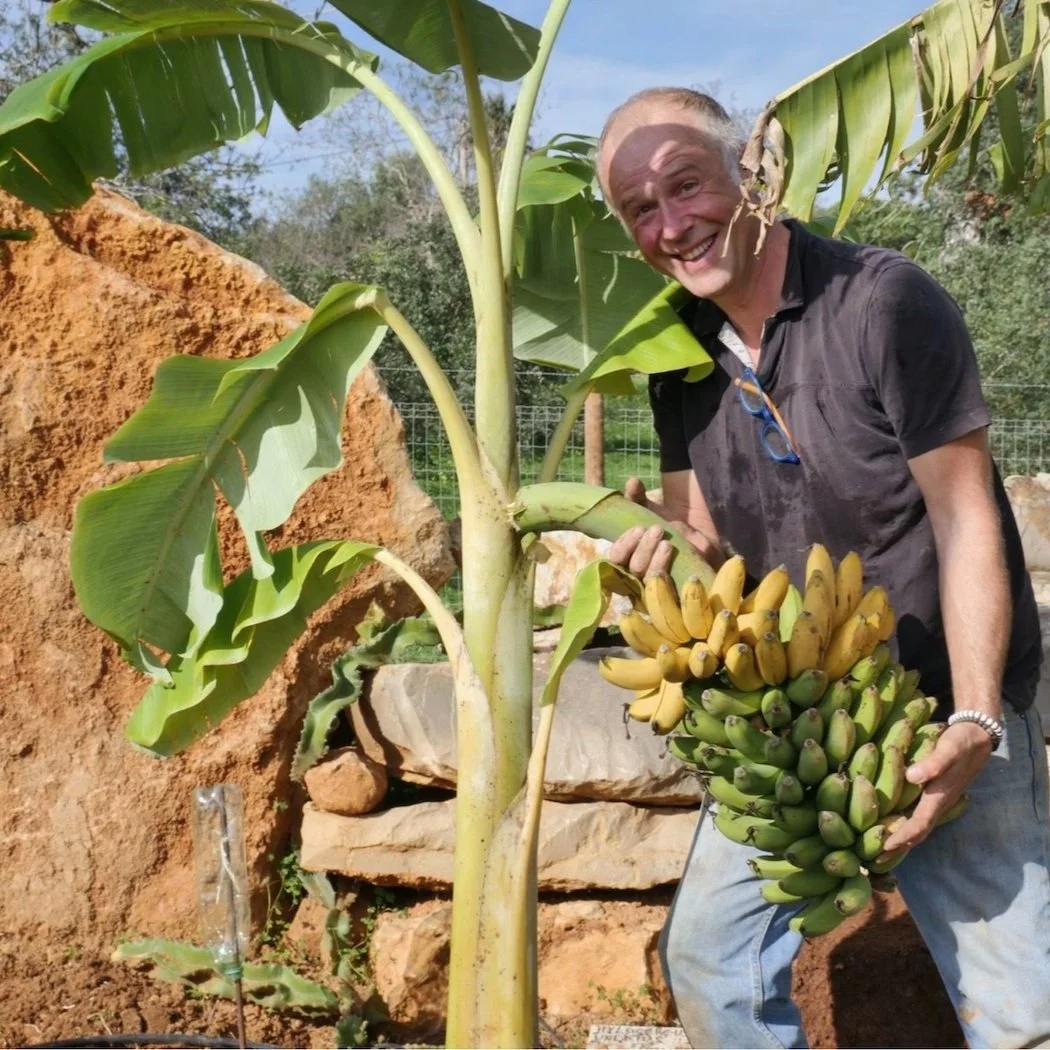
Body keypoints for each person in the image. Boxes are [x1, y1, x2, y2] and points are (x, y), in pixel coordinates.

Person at [599, 87, 1050, 1049]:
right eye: (641, 208)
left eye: (687, 184)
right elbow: (705, 540)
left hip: (938, 703)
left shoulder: (883, 300)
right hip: (793, 706)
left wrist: (975, 715)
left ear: (751, 173)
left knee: (1018, 1016)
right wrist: (652, 551)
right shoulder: (675, 351)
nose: (672, 223)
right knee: (711, 960)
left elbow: (967, 517)